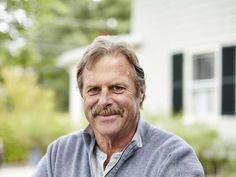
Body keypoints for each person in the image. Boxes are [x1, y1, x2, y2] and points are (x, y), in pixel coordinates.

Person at [32, 35, 204, 177]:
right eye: (94, 90)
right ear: (83, 95)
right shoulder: (59, 153)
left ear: (140, 92)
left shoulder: (174, 158)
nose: (104, 100)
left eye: (117, 88)